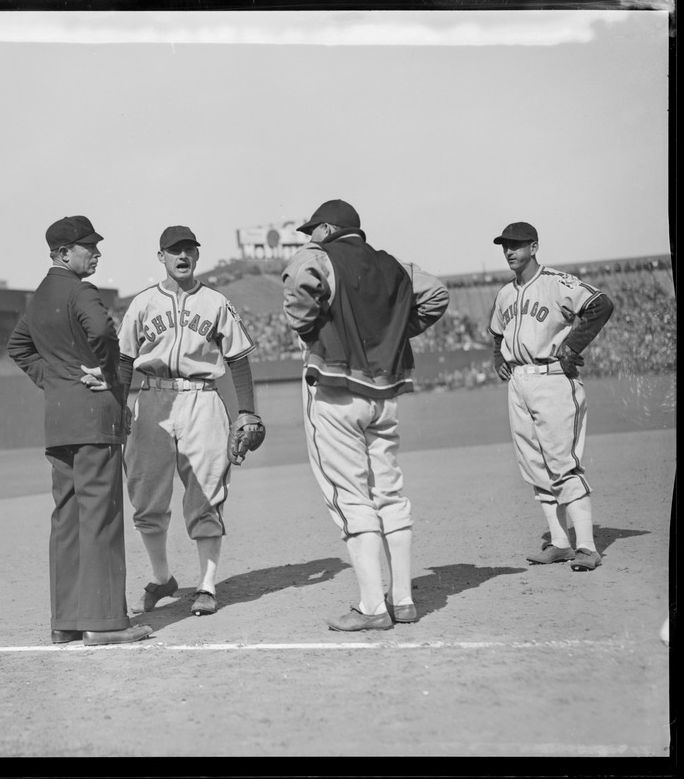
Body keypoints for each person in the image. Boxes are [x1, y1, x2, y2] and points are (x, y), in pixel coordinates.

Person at [281, 199, 449, 631]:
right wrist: (394, 331)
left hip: (337, 392)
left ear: (330, 229)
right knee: (389, 494)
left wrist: (308, 326)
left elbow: (300, 285)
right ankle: (405, 599)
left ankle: (373, 607)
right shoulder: (392, 264)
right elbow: (436, 293)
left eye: (313, 228)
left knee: (351, 498)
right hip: (383, 393)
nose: (309, 235)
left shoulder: (319, 256)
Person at [7, 215, 154, 646]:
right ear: (62, 254)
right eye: (88, 247)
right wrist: (110, 377)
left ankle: (66, 622)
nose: (96, 252)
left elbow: (17, 347)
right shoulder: (80, 291)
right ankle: (105, 624)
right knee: (102, 518)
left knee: (67, 519)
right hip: (93, 417)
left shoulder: (37, 298)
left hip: (59, 421)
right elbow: (104, 333)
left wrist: (55, 379)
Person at [113, 225, 263, 617]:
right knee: (145, 496)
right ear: (160, 257)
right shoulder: (142, 304)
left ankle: (207, 585)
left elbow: (238, 360)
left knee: (207, 492)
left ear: (197, 256)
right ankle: (162, 577)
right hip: (153, 399)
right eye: (174, 251)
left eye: (189, 251)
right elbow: (124, 361)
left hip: (202, 399)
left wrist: (245, 409)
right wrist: (118, 405)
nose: (182, 257)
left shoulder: (215, 302)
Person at [487, 221, 614, 571]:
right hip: (519, 383)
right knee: (534, 465)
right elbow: (497, 333)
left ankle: (586, 546)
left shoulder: (556, 283)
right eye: (504, 246)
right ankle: (559, 542)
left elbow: (601, 305)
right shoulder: (505, 294)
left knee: (561, 462)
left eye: (516, 245)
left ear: (534, 246)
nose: (509, 251)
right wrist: (499, 359)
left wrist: (572, 346)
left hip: (553, 379)